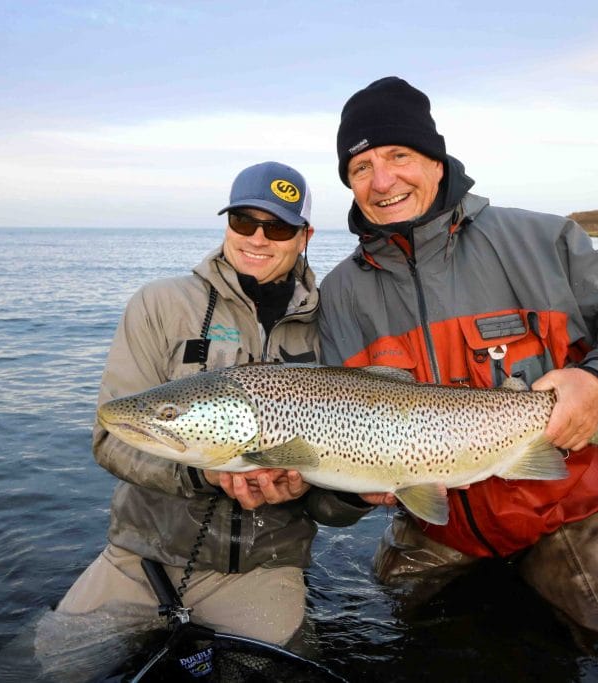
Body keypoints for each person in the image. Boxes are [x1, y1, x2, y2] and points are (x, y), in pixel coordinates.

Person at [319, 77, 598, 655]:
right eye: (361, 166)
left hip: (560, 511)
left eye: (398, 155)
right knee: (398, 642)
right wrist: (349, 494)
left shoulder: (540, 240)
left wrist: (596, 381)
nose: (382, 180)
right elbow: (322, 451)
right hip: (435, 526)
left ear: (437, 163)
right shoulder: (340, 294)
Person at [57, 161, 374, 649]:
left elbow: (332, 502)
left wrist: (355, 496)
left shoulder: (332, 325)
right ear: (227, 224)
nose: (258, 238)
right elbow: (110, 437)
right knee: (43, 667)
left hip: (265, 568)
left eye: (279, 226)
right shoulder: (159, 304)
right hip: (140, 557)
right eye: (244, 221)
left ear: (304, 234)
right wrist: (202, 474)